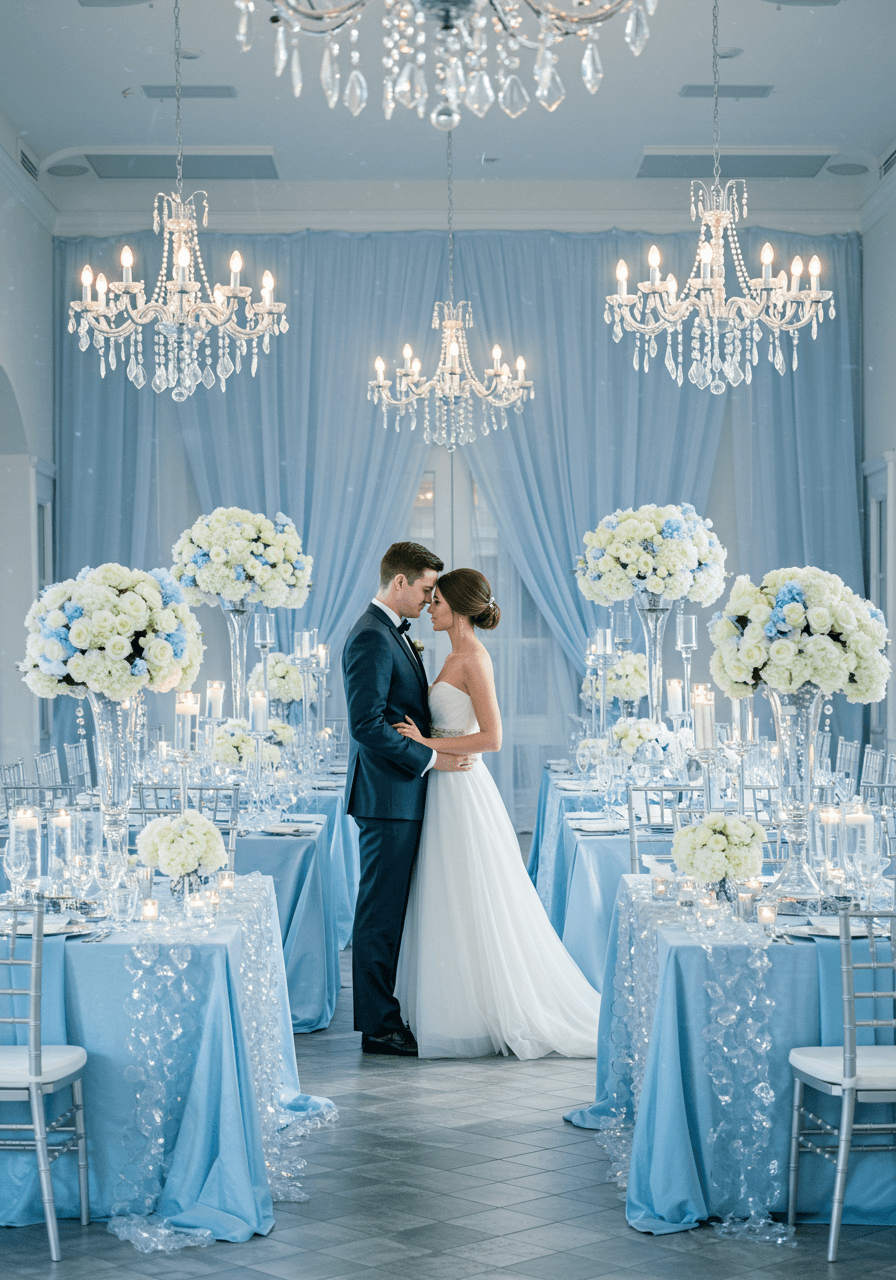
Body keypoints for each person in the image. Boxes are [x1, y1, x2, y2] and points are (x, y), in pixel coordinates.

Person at [393, 568, 600, 1059]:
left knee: (473, 894)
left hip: (463, 786)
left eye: (438, 600)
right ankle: (454, 1010)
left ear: (460, 608)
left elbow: (492, 738)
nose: (431, 607)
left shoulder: (473, 660)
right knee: (448, 895)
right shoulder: (452, 655)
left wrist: (424, 742)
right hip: (443, 782)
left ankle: (488, 1011)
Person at [342, 542, 474, 1057]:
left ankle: (390, 1011)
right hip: (387, 796)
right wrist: (430, 759)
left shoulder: (389, 634)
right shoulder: (373, 637)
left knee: (393, 910)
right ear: (399, 583)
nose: (428, 599)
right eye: (424, 589)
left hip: (400, 794)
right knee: (379, 912)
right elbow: (366, 724)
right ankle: (378, 1025)